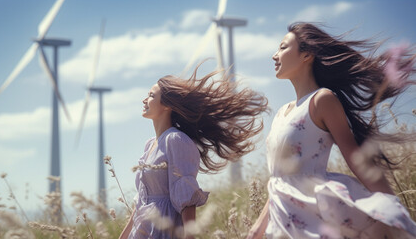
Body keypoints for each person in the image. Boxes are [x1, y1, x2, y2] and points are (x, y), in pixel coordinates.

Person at [247, 22, 416, 239]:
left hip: (313, 219)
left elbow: (357, 160)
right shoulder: (281, 113)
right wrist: (258, 228)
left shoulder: (322, 100)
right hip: (281, 222)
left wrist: (394, 209)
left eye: (283, 47)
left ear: (306, 55)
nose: (274, 55)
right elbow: (279, 181)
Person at [119, 64, 268, 239]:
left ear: (167, 105)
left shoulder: (175, 140)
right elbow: (141, 202)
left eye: (151, 96)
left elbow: (186, 197)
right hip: (143, 231)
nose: (144, 100)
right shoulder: (149, 144)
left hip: (164, 230)